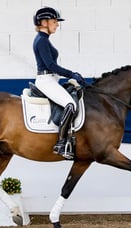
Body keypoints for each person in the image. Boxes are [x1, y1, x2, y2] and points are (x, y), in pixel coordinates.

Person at [33, 7, 85, 160]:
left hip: (51, 79)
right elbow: (51, 65)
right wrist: (71, 74)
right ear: (44, 22)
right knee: (70, 104)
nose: (57, 25)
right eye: (54, 21)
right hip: (45, 80)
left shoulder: (44, 40)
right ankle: (61, 143)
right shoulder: (41, 40)